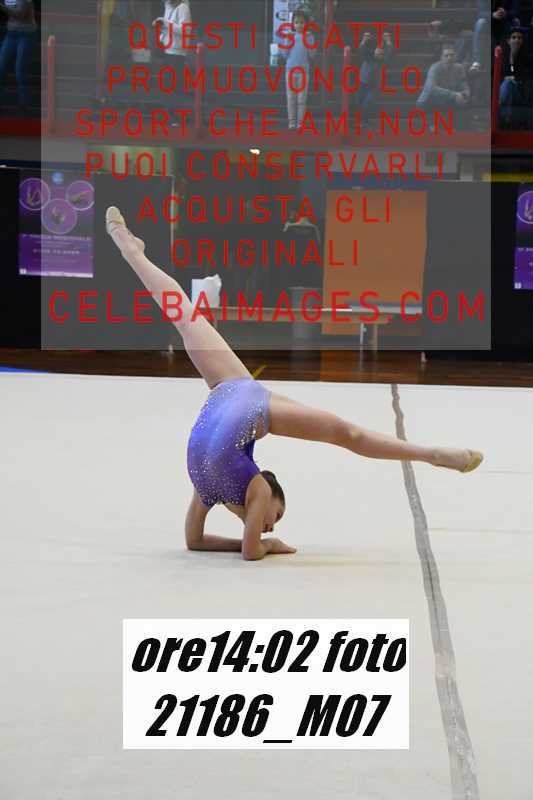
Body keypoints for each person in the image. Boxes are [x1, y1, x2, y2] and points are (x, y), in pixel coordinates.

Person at [105, 206, 484, 561]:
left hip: (243, 402)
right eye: (275, 520)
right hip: (231, 394)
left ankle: (432, 454)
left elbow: (229, 549)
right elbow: (203, 542)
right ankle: (133, 253)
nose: (272, 525)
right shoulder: (206, 491)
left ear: (272, 493)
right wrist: (258, 542)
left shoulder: (253, 489)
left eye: (277, 516)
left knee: (348, 434)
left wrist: (264, 544)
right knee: (186, 318)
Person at [279, 7, 316, 130]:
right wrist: (288, 39)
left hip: (303, 71)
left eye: (301, 22)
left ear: (305, 24)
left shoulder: (309, 37)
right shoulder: (289, 36)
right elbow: (284, 54)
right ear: (293, 24)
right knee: (290, 98)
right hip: (290, 70)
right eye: (296, 22)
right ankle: (292, 122)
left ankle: (300, 123)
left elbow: (312, 54)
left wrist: (308, 40)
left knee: (301, 98)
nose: (299, 25)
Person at [417, 43, 470, 123]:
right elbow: (432, 89)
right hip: (428, 101)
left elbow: (464, 85)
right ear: (441, 57)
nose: (449, 58)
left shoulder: (459, 68)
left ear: (455, 56)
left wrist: (464, 94)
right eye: (446, 55)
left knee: (462, 104)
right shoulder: (435, 68)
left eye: (452, 55)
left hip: (446, 100)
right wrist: (454, 94)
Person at [0, 0, 37, 115]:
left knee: (20, 70)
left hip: (26, 34)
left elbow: (20, 14)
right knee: (1, 66)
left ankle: (23, 105)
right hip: (11, 33)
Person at [152, 0, 191, 101]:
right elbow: (169, 28)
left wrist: (165, 23)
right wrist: (160, 25)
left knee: (175, 85)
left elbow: (185, 30)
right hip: (167, 50)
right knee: (168, 85)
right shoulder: (168, 6)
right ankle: (171, 105)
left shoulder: (183, 7)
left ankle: (176, 106)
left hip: (177, 52)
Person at [356, 30, 393, 129]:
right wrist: (364, 40)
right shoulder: (368, 55)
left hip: (372, 83)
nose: (379, 52)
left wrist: (388, 42)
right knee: (361, 100)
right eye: (377, 50)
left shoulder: (380, 58)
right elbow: (362, 50)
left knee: (367, 101)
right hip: (364, 81)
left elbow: (387, 55)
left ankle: (363, 120)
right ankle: (362, 120)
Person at [499, 27, 531, 128]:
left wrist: (513, 59)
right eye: (514, 37)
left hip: (520, 89)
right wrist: (511, 56)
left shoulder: (527, 57)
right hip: (504, 88)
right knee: (508, 85)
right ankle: (505, 121)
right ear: (508, 41)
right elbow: (504, 73)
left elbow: (520, 74)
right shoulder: (502, 55)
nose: (517, 40)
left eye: (519, 38)